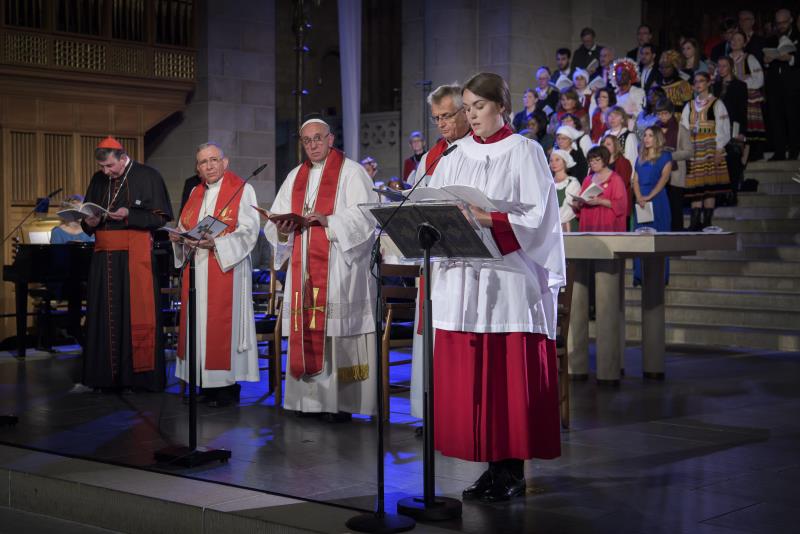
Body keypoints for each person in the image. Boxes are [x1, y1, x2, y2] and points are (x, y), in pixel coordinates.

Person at [427, 71, 564, 503]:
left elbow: (537, 217)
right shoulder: (453, 155)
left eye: (478, 107)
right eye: (466, 108)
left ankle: (512, 470)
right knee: (476, 381)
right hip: (466, 279)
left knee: (506, 376)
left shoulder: (525, 151)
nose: (472, 115)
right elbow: (433, 206)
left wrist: (486, 218)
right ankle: (489, 468)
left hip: (509, 279)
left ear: (501, 106)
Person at [265, 118, 378, 419]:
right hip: (304, 268)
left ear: (330, 139)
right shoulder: (294, 177)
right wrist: (283, 228)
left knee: (336, 331)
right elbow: (274, 220)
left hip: (340, 265)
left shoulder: (352, 173)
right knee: (308, 329)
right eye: (306, 140)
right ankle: (308, 402)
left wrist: (330, 221)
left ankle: (341, 404)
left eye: (318, 138)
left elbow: (367, 217)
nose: (313, 145)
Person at [170, 143, 260, 407]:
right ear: (197, 168)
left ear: (225, 162)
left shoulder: (242, 189)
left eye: (213, 160)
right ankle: (202, 383)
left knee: (221, 328)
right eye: (202, 162)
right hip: (196, 270)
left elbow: (249, 231)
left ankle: (225, 389)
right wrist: (178, 238)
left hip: (225, 268)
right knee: (198, 327)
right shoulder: (195, 192)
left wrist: (217, 244)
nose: (208, 166)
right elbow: (185, 227)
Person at [80, 136, 173, 391]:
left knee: (135, 314)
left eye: (110, 166)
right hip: (103, 259)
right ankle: (103, 378)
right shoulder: (98, 179)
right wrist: (88, 222)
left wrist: (130, 214)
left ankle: (139, 379)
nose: (105, 172)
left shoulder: (148, 176)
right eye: (102, 167)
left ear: (123, 157)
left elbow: (160, 219)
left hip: (135, 257)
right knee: (103, 317)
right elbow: (87, 215)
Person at [408, 83, 472, 419]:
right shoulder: (433, 155)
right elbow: (417, 194)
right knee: (430, 331)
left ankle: (455, 412)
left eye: (447, 116)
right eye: (437, 118)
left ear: (465, 112)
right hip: (435, 260)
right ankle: (430, 413)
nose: (443, 124)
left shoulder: (478, 150)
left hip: (467, 260)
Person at [681, 72, 731, 230]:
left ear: (708, 83)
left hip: (710, 148)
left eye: (701, 81)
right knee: (696, 187)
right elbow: (683, 127)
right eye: (695, 82)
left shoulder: (717, 104)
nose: (698, 84)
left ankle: (707, 220)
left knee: (709, 187)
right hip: (694, 149)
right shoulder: (689, 105)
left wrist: (719, 148)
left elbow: (724, 128)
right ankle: (695, 221)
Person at [632, 127, 673, 285]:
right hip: (641, 201)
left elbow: (663, 180)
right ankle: (640, 275)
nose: (647, 139)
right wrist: (639, 197)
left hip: (657, 200)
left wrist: (649, 196)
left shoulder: (665, 156)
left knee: (658, 237)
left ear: (657, 138)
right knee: (641, 238)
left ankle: (658, 276)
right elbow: (635, 180)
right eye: (645, 136)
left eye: (650, 136)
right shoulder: (640, 157)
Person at [764, 8, 800, 161]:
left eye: (784, 22)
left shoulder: (798, 36)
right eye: (778, 23)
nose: (781, 26)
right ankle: (779, 152)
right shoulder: (772, 38)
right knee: (776, 119)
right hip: (774, 87)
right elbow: (766, 56)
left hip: (793, 85)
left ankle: (794, 151)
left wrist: (790, 59)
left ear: (791, 20)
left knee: (793, 118)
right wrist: (766, 62)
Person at [729, 30, 766, 163]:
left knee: (749, 127)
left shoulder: (749, 58)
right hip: (732, 99)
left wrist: (742, 83)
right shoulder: (727, 59)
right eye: (733, 39)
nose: (735, 42)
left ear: (744, 43)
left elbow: (759, 79)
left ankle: (752, 154)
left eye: (739, 39)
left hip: (748, 98)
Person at [714, 56, 749, 195]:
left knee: (733, 161)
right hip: (717, 129)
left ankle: (732, 193)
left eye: (724, 66)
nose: (721, 69)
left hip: (732, 128)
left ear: (730, 67)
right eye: (719, 66)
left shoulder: (740, 85)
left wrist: (742, 131)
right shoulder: (714, 86)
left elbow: (742, 111)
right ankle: (721, 194)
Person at [655, 100, 692, 231]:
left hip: (675, 175)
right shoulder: (655, 129)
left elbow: (688, 152)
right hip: (657, 174)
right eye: (659, 114)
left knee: (675, 209)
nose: (662, 117)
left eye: (665, 113)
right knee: (660, 208)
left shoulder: (681, 129)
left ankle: (677, 237)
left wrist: (670, 155)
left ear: (671, 113)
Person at [572, 145, 628, 232]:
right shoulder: (587, 179)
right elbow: (582, 199)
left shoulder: (615, 179)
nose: (593, 163)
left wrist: (600, 201)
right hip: (588, 221)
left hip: (606, 222)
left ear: (605, 160)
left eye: (597, 160)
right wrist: (577, 204)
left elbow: (621, 205)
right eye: (591, 161)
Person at [602, 134, 634, 225]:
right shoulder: (600, 162)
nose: (604, 146)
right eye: (603, 144)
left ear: (615, 146)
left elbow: (622, 184)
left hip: (618, 205)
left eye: (608, 144)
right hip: (603, 204)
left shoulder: (624, 162)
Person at [550, 149, 581, 232]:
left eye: (557, 160)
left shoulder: (573, 183)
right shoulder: (548, 184)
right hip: (551, 227)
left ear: (565, 162)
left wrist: (552, 222)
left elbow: (568, 209)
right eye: (551, 160)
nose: (553, 163)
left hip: (568, 226)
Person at [612, 58, 646, 130]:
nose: (621, 76)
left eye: (624, 74)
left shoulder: (638, 92)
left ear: (630, 76)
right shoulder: (614, 94)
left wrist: (624, 116)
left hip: (632, 129)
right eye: (618, 74)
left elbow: (641, 113)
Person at [658, 50, 694, 115]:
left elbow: (690, 106)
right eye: (662, 67)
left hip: (679, 119)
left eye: (667, 67)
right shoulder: (658, 84)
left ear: (674, 67)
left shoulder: (683, 84)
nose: (664, 70)